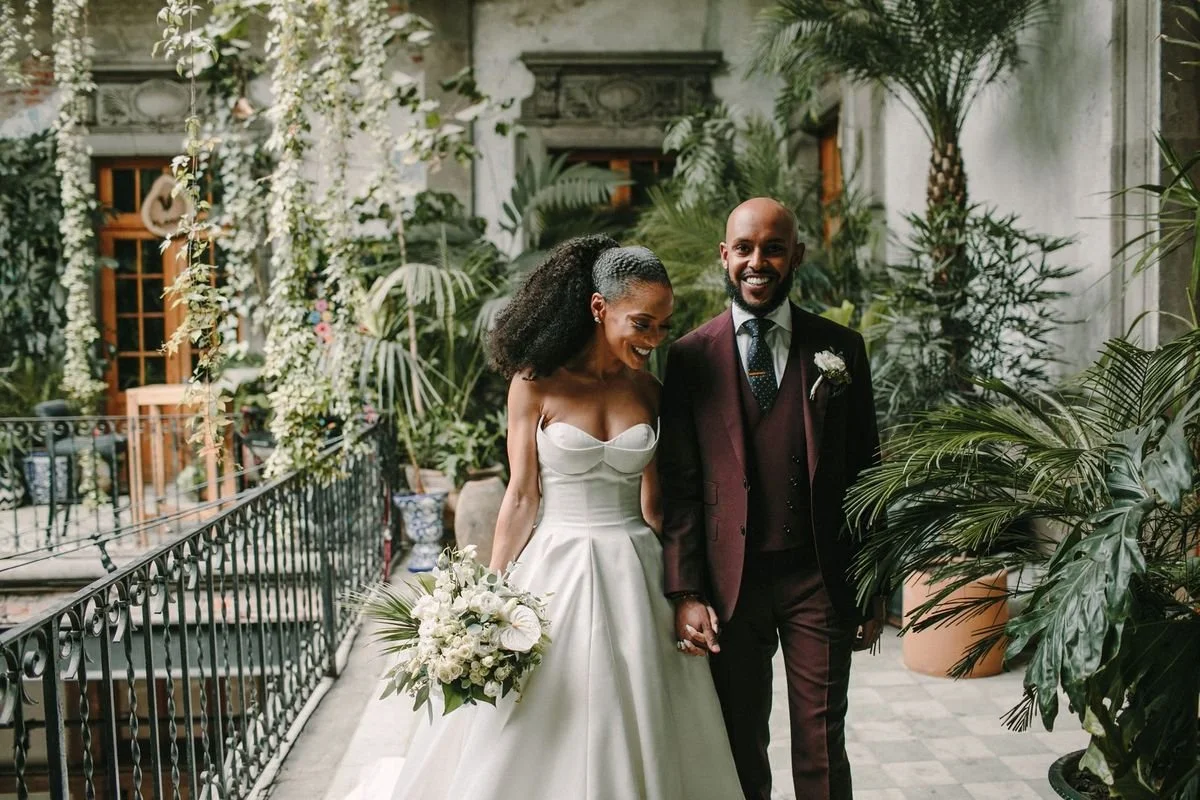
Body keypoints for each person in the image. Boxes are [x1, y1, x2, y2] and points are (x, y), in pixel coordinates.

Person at [391, 235, 743, 799]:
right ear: (600, 308)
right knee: (542, 717)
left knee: (644, 714)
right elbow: (522, 496)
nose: (654, 340)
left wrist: (687, 590)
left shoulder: (651, 391)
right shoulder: (534, 384)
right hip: (554, 567)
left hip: (637, 570)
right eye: (642, 323)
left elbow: (657, 506)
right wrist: (486, 594)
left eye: (662, 326)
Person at [658, 198, 885, 800]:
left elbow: (869, 472)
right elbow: (679, 486)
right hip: (731, 585)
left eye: (774, 248)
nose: (758, 262)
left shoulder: (841, 348)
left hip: (819, 577)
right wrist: (686, 591)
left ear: (796, 256)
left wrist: (872, 585)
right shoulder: (687, 357)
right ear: (724, 256)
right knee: (738, 743)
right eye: (745, 249)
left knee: (821, 743)